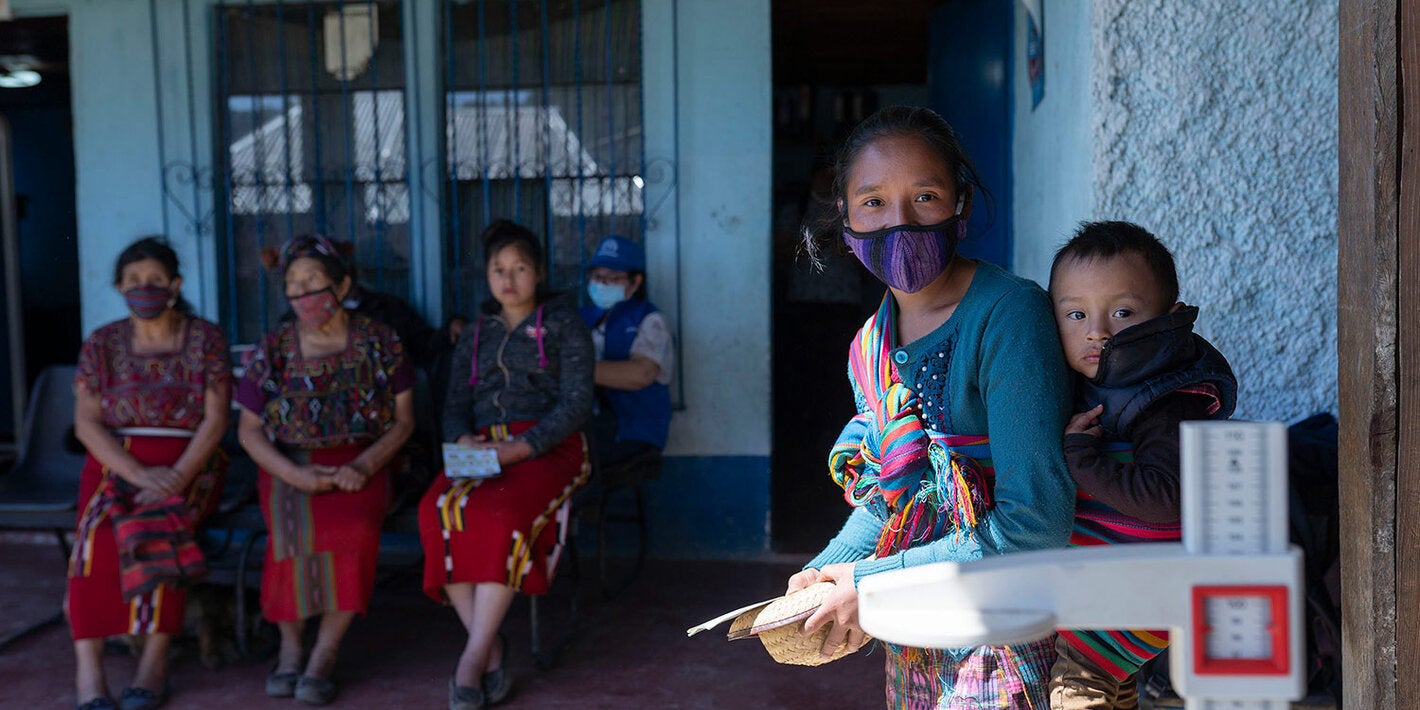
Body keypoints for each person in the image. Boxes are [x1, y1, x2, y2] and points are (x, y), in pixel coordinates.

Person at [788, 105, 1075, 708]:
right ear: (844, 220)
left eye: (925, 196)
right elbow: (892, 494)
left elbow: (1034, 527)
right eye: (873, 202)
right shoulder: (869, 345)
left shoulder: (1007, 316)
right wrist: (823, 575)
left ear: (961, 205)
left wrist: (864, 581)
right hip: (914, 628)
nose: (900, 223)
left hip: (1006, 622)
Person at [1046, 221, 1237, 709]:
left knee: (1078, 686)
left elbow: (1166, 500)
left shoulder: (1169, 399)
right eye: (1075, 313)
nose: (1097, 331)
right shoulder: (1094, 389)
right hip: (1118, 584)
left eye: (1124, 312)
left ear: (1169, 319)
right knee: (1112, 689)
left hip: (1143, 585)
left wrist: (1081, 459)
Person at [419, 219, 593, 710]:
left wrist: (523, 447)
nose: (508, 279)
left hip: (550, 448)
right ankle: (491, 645)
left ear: (537, 272)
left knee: (501, 517)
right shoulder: (475, 333)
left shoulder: (563, 324)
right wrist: (461, 437)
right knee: (438, 511)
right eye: (499, 269)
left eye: (519, 268)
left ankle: (472, 660)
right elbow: (453, 404)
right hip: (480, 448)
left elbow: (576, 403)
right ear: (487, 276)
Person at [235, 234, 415, 706]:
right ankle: (292, 650)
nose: (303, 293)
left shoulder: (380, 339)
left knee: (353, 532)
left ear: (343, 284)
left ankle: (325, 654)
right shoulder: (273, 346)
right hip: (288, 464)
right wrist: (293, 475)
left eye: (313, 281)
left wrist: (365, 464)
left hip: (362, 462)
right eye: (293, 284)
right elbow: (249, 431)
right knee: (289, 539)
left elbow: (404, 421)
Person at [68, 237, 231, 710]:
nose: (145, 289)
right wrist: (138, 473)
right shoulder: (102, 342)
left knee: (159, 527)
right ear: (119, 286)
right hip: (115, 462)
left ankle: (153, 664)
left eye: (156, 280)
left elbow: (216, 419)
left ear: (176, 285)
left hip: (190, 463)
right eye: (135, 281)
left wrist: (176, 478)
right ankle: (89, 673)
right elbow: (86, 422)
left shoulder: (206, 339)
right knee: (94, 541)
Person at [579, 235, 673, 464]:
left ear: (635, 282)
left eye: (614, 278)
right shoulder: (582, 318)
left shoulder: (650, 320)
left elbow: (640, 374)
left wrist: (574, 370)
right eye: (598, 277)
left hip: (633, 431)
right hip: (589, 426)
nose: (602, 284)